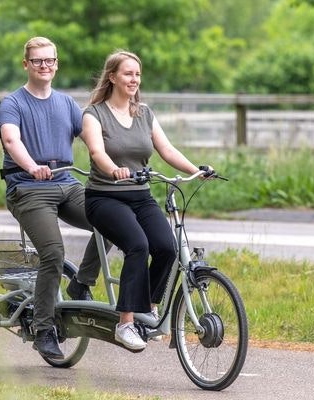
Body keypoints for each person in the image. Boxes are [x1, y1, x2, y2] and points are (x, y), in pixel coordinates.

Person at [80, 50, 214, 350]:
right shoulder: (94, 114)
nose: (134, 79)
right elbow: (96, 152)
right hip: (104, 197)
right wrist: (113, 170)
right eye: (128, 73)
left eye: (137, 74)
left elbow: (166, 149)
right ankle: (125, 323)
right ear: (112, 77)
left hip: (140, 195)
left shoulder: (144, 113)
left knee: (167, 248)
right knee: (137, 245)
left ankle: (147, 309)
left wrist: (196, 170)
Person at [0, 36, 105, 360]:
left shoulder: (67, 104)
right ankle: (44, 330)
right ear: (26, 64)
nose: (45, 66)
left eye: (50, 60)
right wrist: (31, 167)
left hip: (67, 183)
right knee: (53, 252)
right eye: (38, 61)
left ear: (56, 64)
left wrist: (119, 164)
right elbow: (11, 140)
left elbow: (94, 138)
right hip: (28, 188)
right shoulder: (12, 103)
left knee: (112, 219)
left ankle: (81, 283)